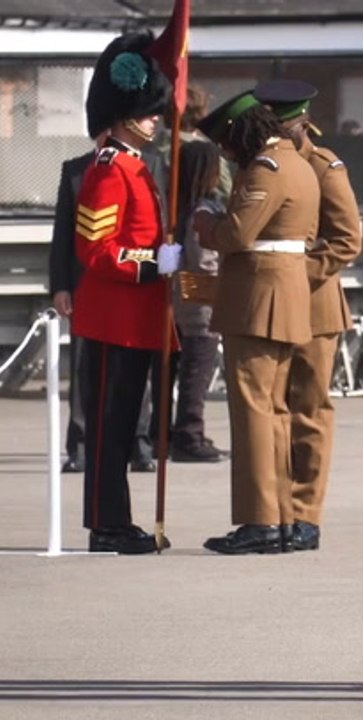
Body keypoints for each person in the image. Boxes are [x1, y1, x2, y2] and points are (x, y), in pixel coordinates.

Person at [194, 91, 319, 555]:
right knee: (276, 412)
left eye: (228, 145)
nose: (227, 155)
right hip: (282, 297)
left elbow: (236, 234)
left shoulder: (266, 169)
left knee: (253, 413)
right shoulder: (300, 163)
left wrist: (206, 224)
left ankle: (260, 520)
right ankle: (282, 517)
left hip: (257, 300)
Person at [72, 32, 181, 554]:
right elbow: (96, 251)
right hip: (112, 318)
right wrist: (150, 264)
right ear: (120, 116)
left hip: (137, 319)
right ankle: (105, 523)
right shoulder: (109, 169)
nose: (154, 119)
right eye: (145, 112)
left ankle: (118, 519)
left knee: (124, 428)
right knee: (108, 432)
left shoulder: (138, 167)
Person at [253, 79, 363, 551]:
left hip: (315, 306)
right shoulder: (266, 164)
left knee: (308, 412)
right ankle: (272, 513)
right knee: (271, 412)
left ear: (299, 123)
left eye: (281, 125)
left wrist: (297, 274)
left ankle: (304, 513)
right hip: (273, 304)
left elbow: (346, 241)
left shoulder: (324, 165)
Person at [169, 139, 228, 463]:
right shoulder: (204, 210)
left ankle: (177, 432)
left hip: (184, 301)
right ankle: (189, 435)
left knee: (188, 369)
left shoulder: (179, 207)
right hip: (202, 303)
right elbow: (204, 260)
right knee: (197, 372)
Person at [48, 147, 97, 473]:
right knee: (81, 368)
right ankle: (79, 443)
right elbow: (62, 233)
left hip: (130, 283)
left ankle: (138, 442)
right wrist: (60, 285)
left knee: (136, 370)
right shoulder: (76, 169)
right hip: (85, 285)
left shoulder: (147, 164)